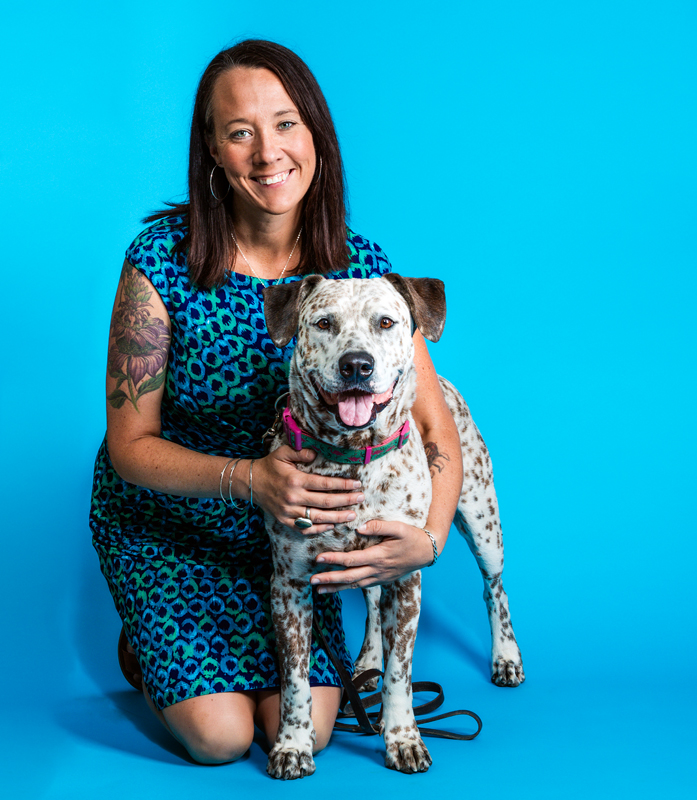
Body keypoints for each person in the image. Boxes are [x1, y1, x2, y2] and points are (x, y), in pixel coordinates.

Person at [90, 39, 463, 766]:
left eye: (286, 123)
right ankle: (146, 641)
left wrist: (433, 537)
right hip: (176, 526)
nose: (268, 153)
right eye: (240, 132)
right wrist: (251, 478)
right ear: (212, 153)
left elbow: (432, 421)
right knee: (221, 740)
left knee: (308, 733)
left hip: (297, 536)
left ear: (316, 134)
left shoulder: (364, 272)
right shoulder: (161, 260)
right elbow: (128, 445)